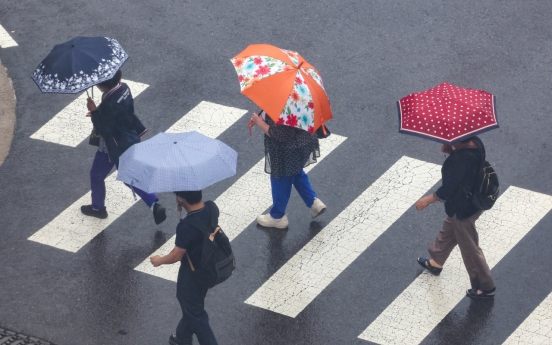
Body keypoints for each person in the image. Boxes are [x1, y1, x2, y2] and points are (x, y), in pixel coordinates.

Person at [81, 69, 166, 225]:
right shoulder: (124, 88)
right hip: (128, 139)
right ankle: (153, 203)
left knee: (96, 175)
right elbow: (117, 111)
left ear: (102, 85)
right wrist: (100, 111)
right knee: (129, 176)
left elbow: (104, 130)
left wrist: (94, 112)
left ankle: (98, 208)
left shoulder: (110, 104)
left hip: (111, 147)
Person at [415, 136, 495, 299]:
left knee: (469, 247)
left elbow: (449, 187)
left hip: (463, 207)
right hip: (472, 201)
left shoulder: (460, 159)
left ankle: (485, 286)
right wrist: (453, 149)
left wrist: (428, 200)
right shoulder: (476, 143)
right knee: (450, 227)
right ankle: (437, 260)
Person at [150, 190, 219, 345]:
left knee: (196, 314)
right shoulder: (211, 208)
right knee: (193, 306)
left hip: (191, 274)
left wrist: (159, 260)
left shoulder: (186, 226)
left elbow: (176, 255)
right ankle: (182, 337)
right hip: (207, 268)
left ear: (181, 198)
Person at [249, 110, 326, 229]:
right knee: (295, 171)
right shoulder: (299, 100)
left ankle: (277, 216)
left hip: (288, 150)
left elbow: (279, 135)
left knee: (280, 177)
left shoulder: (285, 109)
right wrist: (263, 116)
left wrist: (259, 122)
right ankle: (313, 201)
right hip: (304, 142)